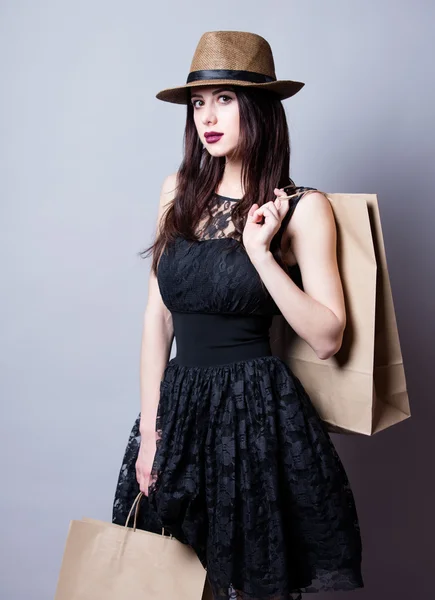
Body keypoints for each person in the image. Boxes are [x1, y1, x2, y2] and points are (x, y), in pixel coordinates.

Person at [112, 30, 364, 600]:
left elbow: (327, 337)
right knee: (170, 578)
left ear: (260, 108)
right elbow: (158, 320)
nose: (208, 116)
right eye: (199, 103)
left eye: (225, 99)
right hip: (179, 408)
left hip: (255, 415)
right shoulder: (177, 191)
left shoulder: (302, 209)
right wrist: (152, 434)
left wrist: (259, 253)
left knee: (251, 583)